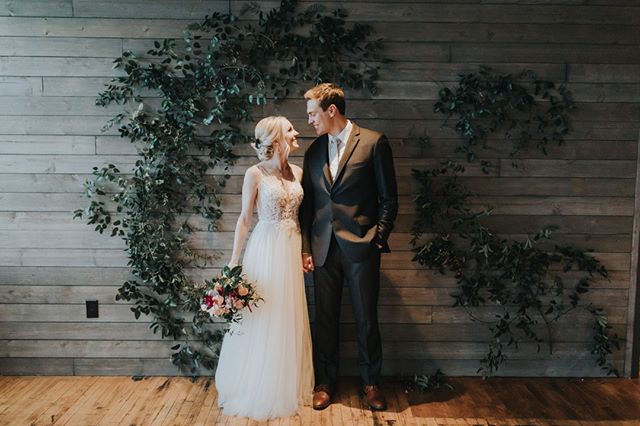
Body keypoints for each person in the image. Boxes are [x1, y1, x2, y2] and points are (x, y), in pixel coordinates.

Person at [300, 83, 398, 411]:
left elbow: (389, 198)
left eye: (314, 113)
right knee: (325, 318)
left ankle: (371, 383)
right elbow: (308, 204)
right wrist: (305, 248)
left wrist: (378, 238)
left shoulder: (373, 143)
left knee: (365, 318)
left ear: (331, 110)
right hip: (323, 248)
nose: (310, 120)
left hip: (362, 247)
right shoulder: (314, 151)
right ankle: (325, 382)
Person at [214, 116, 314, 420]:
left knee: (286, 316)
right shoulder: (254, 174)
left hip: (290, 247)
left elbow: (302, 217)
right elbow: (245, 220)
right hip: (265, 248)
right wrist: (234, 262)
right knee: (263, 316)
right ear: (276, 138)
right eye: (290, 130)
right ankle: (258, 385)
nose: (297, 133)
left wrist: (303, 252)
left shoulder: (297, 172)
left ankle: (284, 383)